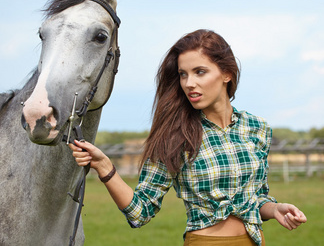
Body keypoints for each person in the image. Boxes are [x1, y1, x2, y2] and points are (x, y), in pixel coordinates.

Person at [69, 29, 307, 246]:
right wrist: (104, 166)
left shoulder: (257, 128)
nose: (189, 83)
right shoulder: (175, 136)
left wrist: (275, 208)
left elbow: (255, 200)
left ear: (226, 74)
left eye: (199, 72)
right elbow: (140, 212)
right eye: (183, 74)